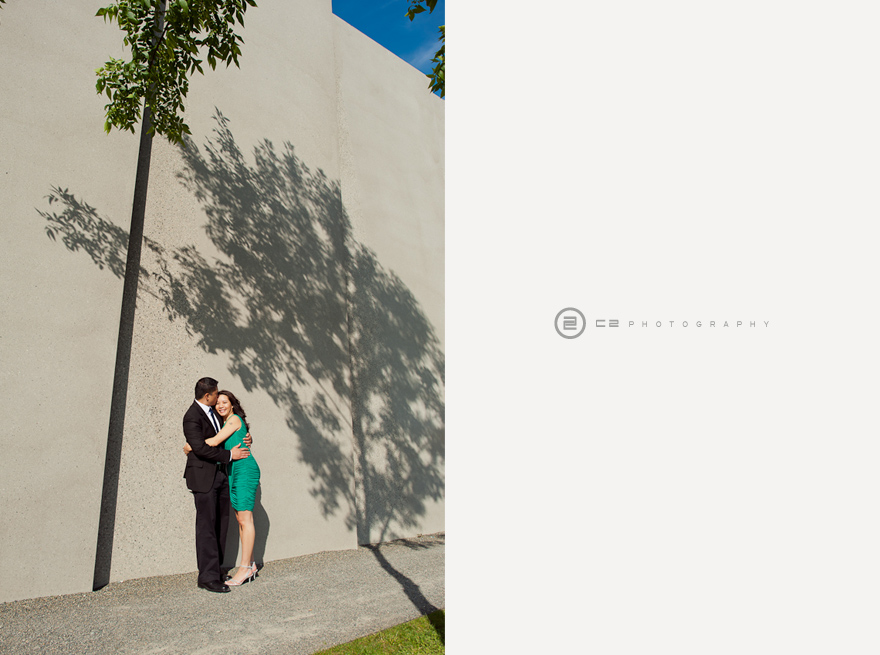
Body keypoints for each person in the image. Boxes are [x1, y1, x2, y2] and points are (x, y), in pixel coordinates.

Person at [185, 390, 261, 586]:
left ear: (232, 404)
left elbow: (215, 442)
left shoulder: (233, 420)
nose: (220, 406)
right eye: (217, 403)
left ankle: (245, 568)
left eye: (224, 402)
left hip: (244, 470)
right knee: (241, 519)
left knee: (245, 519)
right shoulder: (225, 423)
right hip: (233, 471)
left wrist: (192, 446)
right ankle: (251, 564)